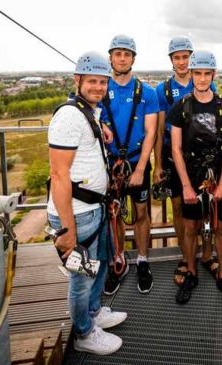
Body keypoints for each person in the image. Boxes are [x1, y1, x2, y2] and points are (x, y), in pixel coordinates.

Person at [47, 51, 127, 355]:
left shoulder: (88, 112)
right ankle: (83, 333)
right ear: (77, 80)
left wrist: (100, 129)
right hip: (76, 214)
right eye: (92, 81)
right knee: (81, 277)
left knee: (99, 265)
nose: (98, 87)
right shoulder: (68, 116)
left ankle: (93, 314)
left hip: (93, 208)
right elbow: (58, 174)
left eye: (103, 82)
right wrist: (66, 228)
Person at [169, 50, 222, 307]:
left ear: (213, 74)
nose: (201, 78)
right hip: (191, 175)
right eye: (197, 73)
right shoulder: (181, 106)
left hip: (216, 174)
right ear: (191, 74)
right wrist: (186, 186)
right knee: (190, 228)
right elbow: (175, 149)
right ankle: (191, 273)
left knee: (220, 227)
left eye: (206, 73)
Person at [154, 36, 218, 285]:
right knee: (180, 208)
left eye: (185, 57)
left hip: (202, 158)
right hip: (174, 155)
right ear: (171, 60)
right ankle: (185, 255)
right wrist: (158, 164)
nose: (182, 62)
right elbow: (160, 129)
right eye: (177, 57)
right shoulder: (164, 91)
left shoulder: (206, 86)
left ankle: (207, 253)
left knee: (207, 207)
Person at [101, 35, 159, 295]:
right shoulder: (100, 89)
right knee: (115, 215)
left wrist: (139, 169)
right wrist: (102, 125)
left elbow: (151, 132)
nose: (122, 58)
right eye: (117, 53)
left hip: (137, 162)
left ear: (133, 58)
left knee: (141, 212)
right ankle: (119, 259)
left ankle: (143, 260)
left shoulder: (146, 92)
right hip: (110, 164)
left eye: (126, 54)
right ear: (111, 57)